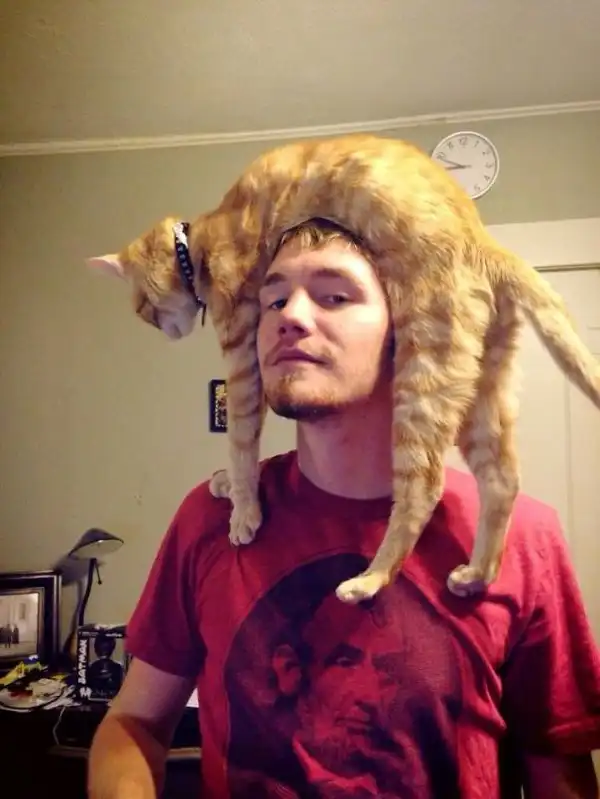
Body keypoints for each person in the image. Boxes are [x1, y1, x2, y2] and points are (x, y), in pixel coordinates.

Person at [88, 219, 600, 798]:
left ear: (408, 331)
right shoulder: (210, 519)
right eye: (274, 299)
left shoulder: (516, 536)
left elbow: (559, 770)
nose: (290, 316)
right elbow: (133, 724)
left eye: (334, 296)